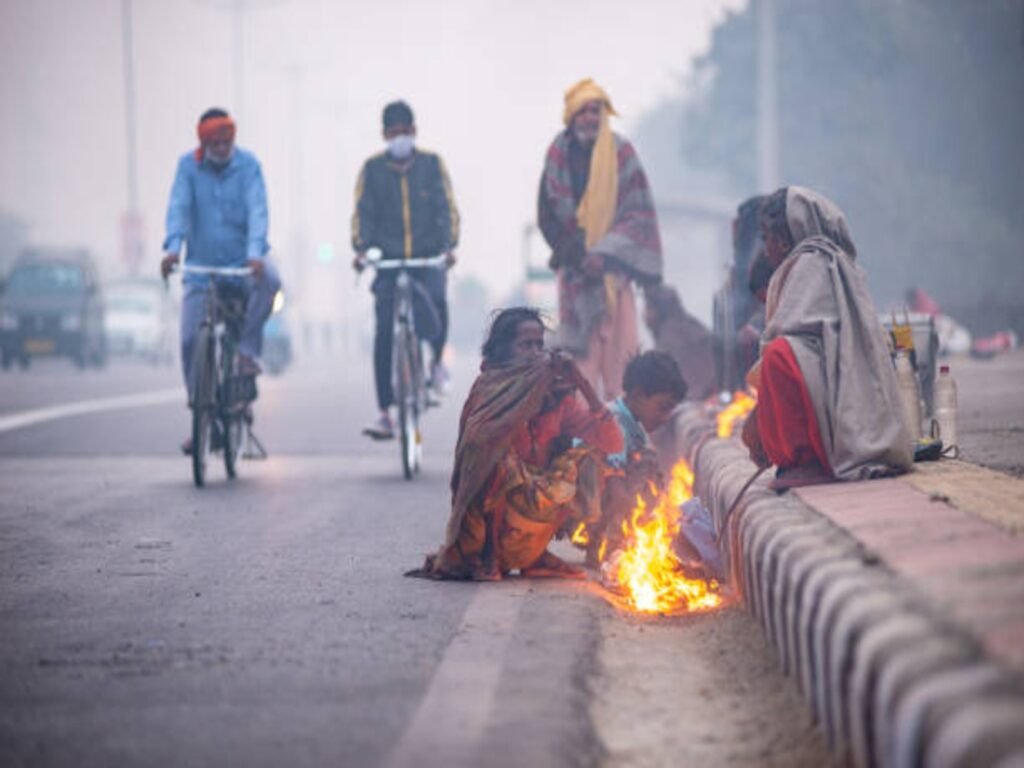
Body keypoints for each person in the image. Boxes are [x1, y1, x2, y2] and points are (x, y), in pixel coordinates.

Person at [414, 307, 623, 581]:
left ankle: (539, 554)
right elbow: (476, 455)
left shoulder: (558, 396)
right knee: (497, 455)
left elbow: (612, 443)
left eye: (540, 345)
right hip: (483, 529)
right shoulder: (490, 390)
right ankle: (489, 558)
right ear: (504, 352)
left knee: (591, 460)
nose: (536, 353)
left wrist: (581, 382)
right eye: (526, 345)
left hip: (532, 519)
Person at [742, 186, 913, 489]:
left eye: (767, 238)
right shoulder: (823, 261)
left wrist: (759, 417)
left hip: (834, 392)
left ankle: (806, 460)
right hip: (831, 383)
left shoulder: (812, 262)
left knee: (779, 357)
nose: (765, 248)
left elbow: (785, 340)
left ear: (783, 238)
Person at [160, 107, 281, 454]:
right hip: (200, 270)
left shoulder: (249, 166)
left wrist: (256, 253)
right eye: (216, 141)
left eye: (228, 140)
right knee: (188, 340)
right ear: (204, 141)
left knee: (272, 280)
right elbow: (178, 210)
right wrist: (172, 250)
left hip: (243, 267)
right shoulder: (188, 168)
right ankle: (202, 417)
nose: (223, 146)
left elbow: (259, 211)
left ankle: (246, 350)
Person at [538, 78, 663, 399]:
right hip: (575, 280)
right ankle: (582, 443)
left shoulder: (622, 153)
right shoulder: (557, 154)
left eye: (596, 110)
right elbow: (548, 215)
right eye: (583, 111)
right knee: (577, 369)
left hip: (614, 278)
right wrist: (580, 256)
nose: (590, 118)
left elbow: (638, 213)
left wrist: (605, 254)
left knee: (622, 366)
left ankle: (622, 442)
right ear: (571, 116)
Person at [351, 100, 460, 440]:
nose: (400, 138)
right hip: (388, 260)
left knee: (437, 303)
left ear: (414, 131)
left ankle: (435, 363)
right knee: (384, 330)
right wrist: (361, 249)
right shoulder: (372, 170)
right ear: (385, 135)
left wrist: (448, 246)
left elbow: (448, 209)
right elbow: (362, 214)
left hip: (426, 258)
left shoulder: (431, 165)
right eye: (393, 132)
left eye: (405, 131)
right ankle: (385, 411)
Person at [582, 350, 688, 564]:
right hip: (585, 503)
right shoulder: (615, 421)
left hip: (598, 498)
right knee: (643, 468)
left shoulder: (632, 424)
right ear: (639, 395)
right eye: (663, 407)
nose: (666, 417)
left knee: (648, 465)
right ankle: (608, 546)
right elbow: (616, 487)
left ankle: (614, 542)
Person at [644, 284, 717, 402]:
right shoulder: (694, 325)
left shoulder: (667, 342)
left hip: (695, 403)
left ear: (657, 311)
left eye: (648, 308)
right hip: (713, 396)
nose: (644, 315)